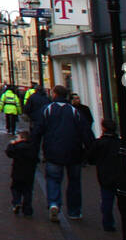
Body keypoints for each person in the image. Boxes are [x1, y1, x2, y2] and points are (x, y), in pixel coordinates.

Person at [30, 84, 94, 221]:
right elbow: (86, 132)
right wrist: (91, 152)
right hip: (74, 152)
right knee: (74, 182)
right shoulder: (74, 111)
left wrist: (33, 151)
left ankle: (54, 203)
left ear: (54, 94)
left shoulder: (47, 110)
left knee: (53, 179)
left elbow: (37, 132)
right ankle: (74, 211)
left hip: (53, 151)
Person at [86, 119, 124, 232]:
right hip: (120, 175)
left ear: (103, 128)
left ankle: (108, 224)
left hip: (105, 175)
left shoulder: (99, 143)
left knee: (107, 200)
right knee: (123, 200)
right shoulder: (120, 143)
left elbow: (90, 158)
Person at [6, 129, 39, 217]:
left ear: (22, 138)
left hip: (17, 173)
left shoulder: (17, 147)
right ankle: (27, 209)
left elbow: (9, 153)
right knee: (28, 191)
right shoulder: (32, 148)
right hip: (29, 174)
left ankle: (17, 202)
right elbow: (36, 159)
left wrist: (11, 144)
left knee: (15, 189)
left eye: (18, 137)